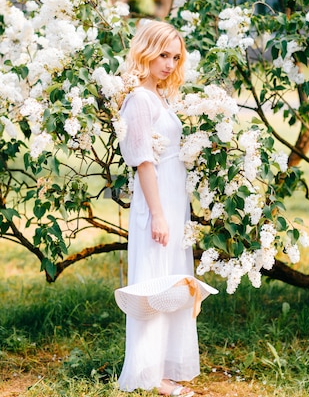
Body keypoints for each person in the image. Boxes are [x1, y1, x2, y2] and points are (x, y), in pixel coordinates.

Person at [116, 20, 201, 396]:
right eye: (163, 55)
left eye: (175, 57)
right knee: (153, 284)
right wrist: (159, 214)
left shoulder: (162, 98)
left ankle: (165, 366)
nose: (169, 63)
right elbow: (143, 161)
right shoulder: (139, 99)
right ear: (147, 52)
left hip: (173, 201)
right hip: (156, 203)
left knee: (171, 281)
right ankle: (147, 373)